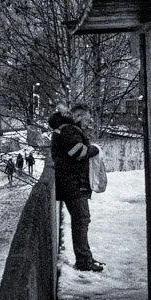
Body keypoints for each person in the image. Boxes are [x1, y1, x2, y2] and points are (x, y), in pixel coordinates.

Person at [50, 103, 104, 271]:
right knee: (81, 221)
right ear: (79, 116)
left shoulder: (65, 128)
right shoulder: (70, 130)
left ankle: (86, 258)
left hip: (70, 182)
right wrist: (94, 149)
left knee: (81, 221)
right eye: (87, 119)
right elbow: (78, 152)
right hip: (73, 184)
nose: (88, 123)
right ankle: (83, 262)